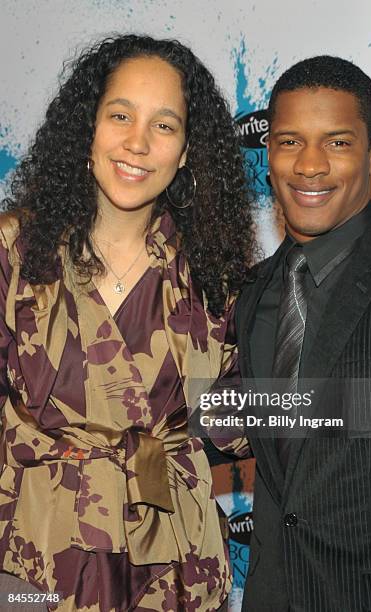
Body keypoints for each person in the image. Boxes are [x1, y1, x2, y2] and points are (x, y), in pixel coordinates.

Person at [0, 34, 253, 611]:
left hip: (172, 560)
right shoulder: (13, 252)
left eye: (164, 126)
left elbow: (237, 417)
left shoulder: (217, 277)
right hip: (32, 551)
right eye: (120, 116)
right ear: (86, 127)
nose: (137, 143)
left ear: (188, 151)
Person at [236, 56, 371, 611]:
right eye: (289, 141)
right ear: (269, 152)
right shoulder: (253, 293)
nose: (309, 166)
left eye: (337, 143)